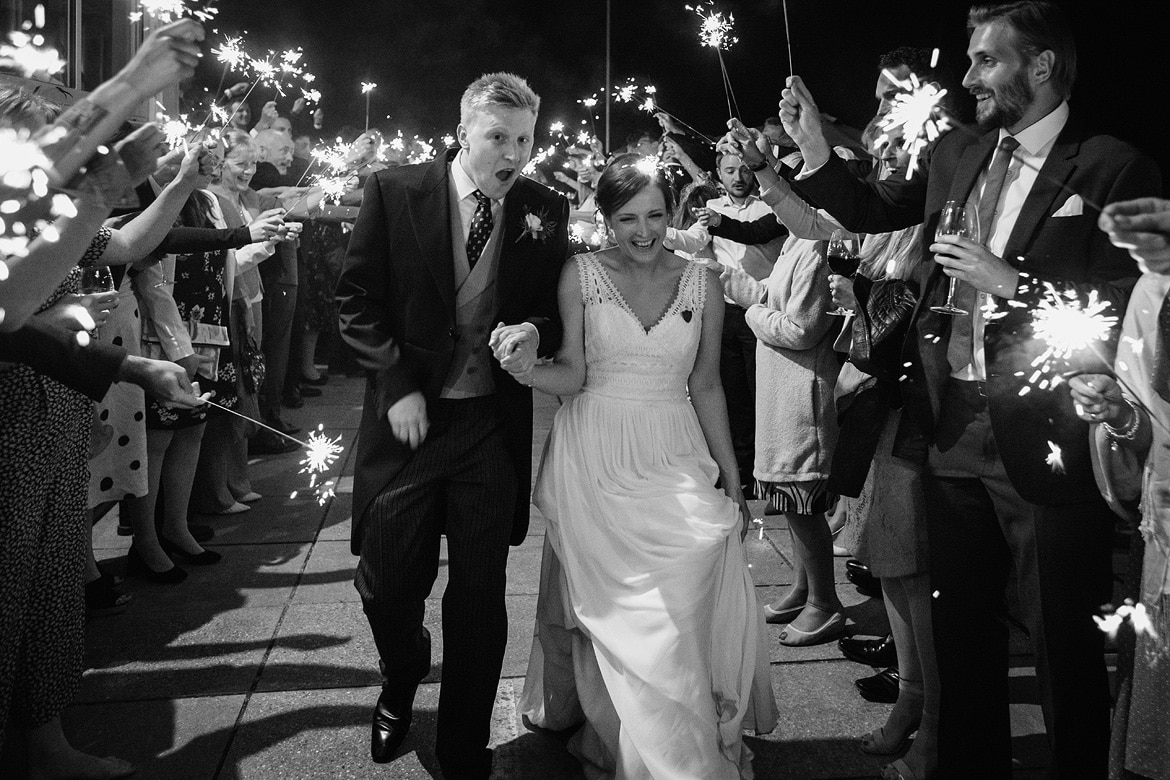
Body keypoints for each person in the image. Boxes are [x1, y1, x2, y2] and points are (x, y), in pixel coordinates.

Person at [778, 2, 1162, 777]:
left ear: (1042, 66)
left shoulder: (1113, 166)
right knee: (962, 640)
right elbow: (871, 209)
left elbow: (1130, 309)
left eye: (987, 60)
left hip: (1052, 436)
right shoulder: (960, 152)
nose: (966, 76)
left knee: (1062, 645)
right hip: (951, 423)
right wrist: (813, 149)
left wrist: (1010, 281)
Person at [335, 72, 569, 778]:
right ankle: (402, 673)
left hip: (489, 427)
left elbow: (554, 310)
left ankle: (465, 739)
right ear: (464, 131)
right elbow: (356, 299)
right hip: (408, 427)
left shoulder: (544, 209)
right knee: (387, 582)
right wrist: (397, 384)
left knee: (479, 590)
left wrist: (533, 330)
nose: (513, 154)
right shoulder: (394, 189)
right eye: (498, 137)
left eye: (524, 139)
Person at [513, 153, 777, 779]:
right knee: (614, 604)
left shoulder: (702, 280)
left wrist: (733, 477)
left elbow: (707, 385)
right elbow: (572, 374)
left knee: (699, 557)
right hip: (596, 449)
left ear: (674, 214)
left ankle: (674, 729)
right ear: (604, 217)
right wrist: (526, 368)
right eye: (627, 217)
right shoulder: (579, 274)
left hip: (674, 445)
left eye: (656, 215)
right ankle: (651, 743)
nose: (643, 231)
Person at [707, 152, 786, 497]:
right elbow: (696, 249)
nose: (737, 177)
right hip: (724, 309)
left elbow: (754, 234)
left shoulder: (770, 207)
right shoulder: (709, 206)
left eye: (742, 169)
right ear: (718, 174)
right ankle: (738, 473)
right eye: (729, 170)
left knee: (760, 395)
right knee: (732, 394)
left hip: (760, 306)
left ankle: (763, 472)